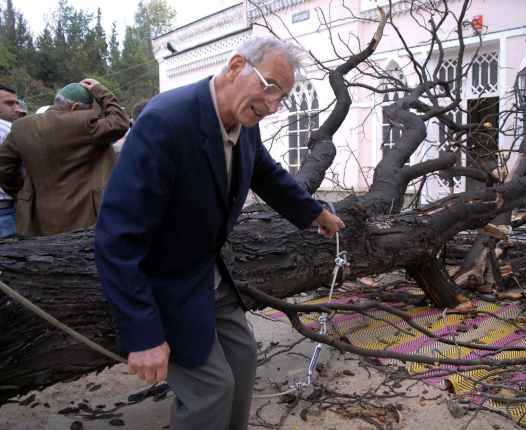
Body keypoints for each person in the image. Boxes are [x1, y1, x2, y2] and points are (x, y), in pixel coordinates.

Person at [94, 37, 345, 430]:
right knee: (211, 387)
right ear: (236, 65)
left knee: (243, 357)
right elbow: (116, 236)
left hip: (208, 272)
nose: (273, 105)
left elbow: (267, 173)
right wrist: (142, 334)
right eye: (270, 87)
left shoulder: (245, 126)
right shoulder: (166, 122)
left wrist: (314, 212)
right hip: (165, 282)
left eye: (282, 97)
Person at [0, 79, 129, 236]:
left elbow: (4, 167)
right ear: (74, 107)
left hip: (39, 219)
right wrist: (100, 90)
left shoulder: (21, 128)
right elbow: (120, 121)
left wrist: (21, 192)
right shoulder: (85, 125)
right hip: (87, 218)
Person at [0, 84, 21, 238]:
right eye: (9, 103)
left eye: (16, 102)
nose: (16, 108)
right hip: (5, 208)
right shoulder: (9, 130)